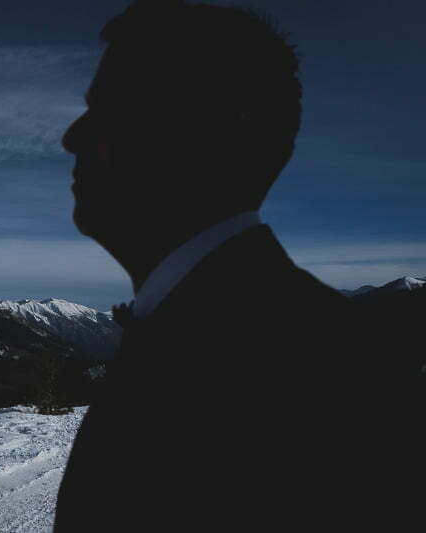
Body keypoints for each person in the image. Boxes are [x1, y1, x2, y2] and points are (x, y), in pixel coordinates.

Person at [54, 1, 424, 530]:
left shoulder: (315, 378)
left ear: (204, 132)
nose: (73, 137)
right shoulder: (275, 336)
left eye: (109, 108)